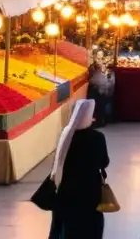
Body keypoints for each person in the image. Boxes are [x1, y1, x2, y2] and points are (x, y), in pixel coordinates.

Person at [49, 98, 110, 239]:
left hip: (67, 189)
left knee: (69, 226)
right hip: (90, 191)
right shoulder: (97, 138)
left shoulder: (66, 136)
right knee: (90, 225)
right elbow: (104, 162)